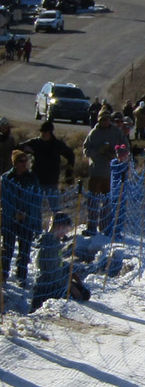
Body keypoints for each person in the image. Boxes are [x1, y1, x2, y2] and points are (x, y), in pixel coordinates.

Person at [30, 212, 90, 312]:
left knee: (83, 293)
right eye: (65, 230)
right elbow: (51, 273)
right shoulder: (49, 245)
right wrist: (69, 284)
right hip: (46, 290)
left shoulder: (55, 242)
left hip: (53, 285)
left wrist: (69, 270)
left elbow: (58, 265)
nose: (65, 234)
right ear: (59, 226)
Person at [82, 110, 129, 235]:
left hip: (111, 174)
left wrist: (116, 154)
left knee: (107, 203)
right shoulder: (94, 133)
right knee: (93, 202)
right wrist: (98, 151)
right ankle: (91, 227)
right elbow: (86, 149)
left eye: (107, 119)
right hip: (96, 171)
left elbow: (126, 148)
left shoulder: (116, 132)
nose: (105, 121)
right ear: (99, 120)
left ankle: (105, 228)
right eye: (102, 119)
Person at [1, 150, 41, 287]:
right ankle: (3, 274)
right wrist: (13, 213)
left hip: (27, 219)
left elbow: (37, 200)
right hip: (9, 219)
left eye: (26, 161)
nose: (25, 164)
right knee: (7, 248)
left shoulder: (32, 179)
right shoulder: (6, 179)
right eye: (21, 161)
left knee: (24, 250)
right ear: (15, 163)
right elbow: (4, 200)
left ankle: (21, 276)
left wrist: (29, 215)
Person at [17, 120, 75, 212]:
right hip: (36, 180)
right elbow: (18, 147)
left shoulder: (57, 145)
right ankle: (35, 225)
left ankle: (57, 225)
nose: (43, 134)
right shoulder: (36, 142)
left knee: (55, 208)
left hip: (51, 180)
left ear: (50, 133)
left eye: (45, 132)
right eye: (42, 132)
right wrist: (26, 150)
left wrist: (69, 170)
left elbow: (70, 155)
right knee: (34, 207)